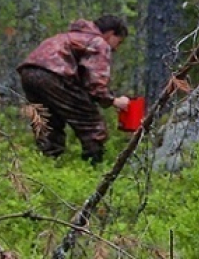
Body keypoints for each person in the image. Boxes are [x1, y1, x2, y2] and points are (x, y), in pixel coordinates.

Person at [17, 15, 131, 165]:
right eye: (119, 41)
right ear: (110, 33)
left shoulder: (67, 37)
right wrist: (114, 100)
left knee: (48, 123)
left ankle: (47, 166)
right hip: (54, 76)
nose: (116, 48)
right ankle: (94, 169)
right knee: (91, 125)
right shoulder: (98, 42)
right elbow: (95, 83)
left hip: (28, 74)